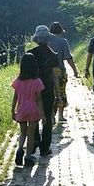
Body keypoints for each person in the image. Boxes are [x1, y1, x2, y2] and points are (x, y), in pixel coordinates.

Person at [27, 25, 61, 156]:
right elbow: (55, 77)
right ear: (48, 39)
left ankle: (35, 139)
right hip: (47, 88)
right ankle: (45, 148)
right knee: (47, 116)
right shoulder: (53, 55)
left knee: (33, 115)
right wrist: (58, 95)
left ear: (36, 39)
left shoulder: (30, 54)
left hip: (33, 89)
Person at [11, 53, 45, 167]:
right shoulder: (37, 82)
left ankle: (20, 149)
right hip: (33, 111)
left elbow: (15, 97)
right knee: (31, 134)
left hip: (21, 110)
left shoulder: (18, 81)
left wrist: (12, 111)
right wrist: (43, 114)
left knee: (23, 133)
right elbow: (39, 100)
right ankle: (28, 156)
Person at [48, 22, 79, 124]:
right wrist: (75, 70)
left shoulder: (46, 41)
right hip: (60, 70)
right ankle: (61, 115)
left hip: (47, 71)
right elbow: (68, 58)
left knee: (50, 93)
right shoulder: (63, 41)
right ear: (61, 31)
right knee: (61, 91)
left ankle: (52, 115)